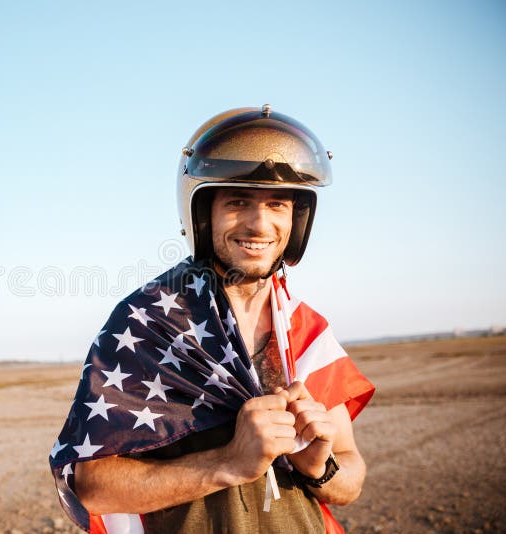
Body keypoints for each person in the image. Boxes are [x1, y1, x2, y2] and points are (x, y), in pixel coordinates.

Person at [49, 105, 375, 534]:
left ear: (296, 221)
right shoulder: (146, 323)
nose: (261, 224)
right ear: (204, 215)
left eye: (277, 204)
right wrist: (229, 463)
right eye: (239, 201)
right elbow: (92, 485)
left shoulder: (304, 330)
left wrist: (320, 469)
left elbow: (351, 476)